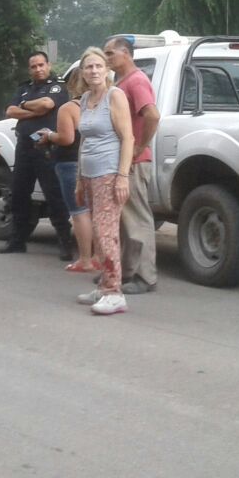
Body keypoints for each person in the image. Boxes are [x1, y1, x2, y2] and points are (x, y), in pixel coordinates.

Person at [64, 48, 134, 316]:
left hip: (109, 173)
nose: (93, 71)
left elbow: (128, 138)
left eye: (98, 66)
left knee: (106, 234)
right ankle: (105, 286)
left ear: (107, 70)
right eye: (88, 67)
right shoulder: (84, 100)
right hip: (90, 174)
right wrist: (80, 179)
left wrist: (122, 176)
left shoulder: (115, 96)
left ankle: (114, 293)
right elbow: (84, 140)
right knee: (98, 231)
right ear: (82, 72)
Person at [0, 51, 74, 259]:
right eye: (34, 66)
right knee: (19, 193)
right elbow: (10, 111)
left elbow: (47, 105)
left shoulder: (57, 86)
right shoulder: (24, 88)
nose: (38, 69)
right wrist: (32, 110)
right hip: (24, 147)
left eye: (41, 65)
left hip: (46, 147)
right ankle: (17, 241)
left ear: (48, 65)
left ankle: (65, 242)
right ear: (29, 69)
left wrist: (25, 106)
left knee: (53, 195)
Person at [104, 35, 161, 294]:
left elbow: (152, 115)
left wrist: (139, 147)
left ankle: (145, 276)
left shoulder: (136, 81)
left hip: (134, 162)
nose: (106, 58)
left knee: (137, 219)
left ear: (126, 53)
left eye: (110, 53)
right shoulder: (122, 81)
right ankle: (125, 272)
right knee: (124, 220)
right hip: (124, 160)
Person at [36, 67, 94, 272]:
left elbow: (67, 138)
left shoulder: (69, 108)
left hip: (70, 162)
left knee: (79, 212)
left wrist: (50, 135)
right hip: (96, 162)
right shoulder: (102, 105)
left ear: (73, 84)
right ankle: (100, 256)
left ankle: (85, 259)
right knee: (96, 212)